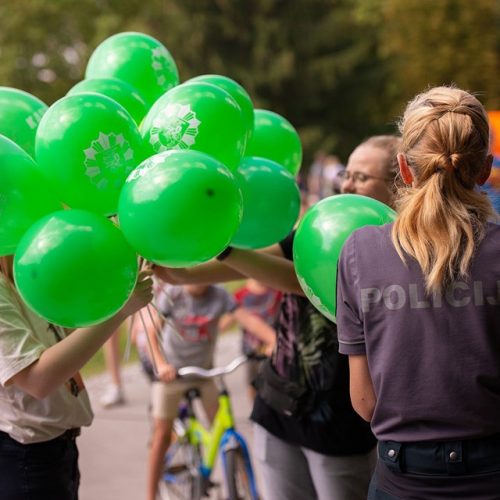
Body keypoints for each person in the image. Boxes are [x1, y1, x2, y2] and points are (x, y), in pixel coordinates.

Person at [152, 134, 401, 500]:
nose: (346, 184)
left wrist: (223, 250)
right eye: (346, 174)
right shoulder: (318, 229)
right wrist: (172, 262)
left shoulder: (397, 249)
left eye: (361, 178)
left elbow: (298, 281)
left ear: (398, 186)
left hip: (341, 424)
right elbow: (221, 268)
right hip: (277, 409)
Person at [337, 86, 500, 499]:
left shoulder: (359, 251)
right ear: (485, 169)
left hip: (403, 478)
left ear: (403, 169)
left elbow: (365, 401)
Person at [0, 256, 153, 500]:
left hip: (59, 450)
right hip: (26, 460)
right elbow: (36, 380)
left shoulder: (28, 269)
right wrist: (121, 310)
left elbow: (68, 337)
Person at [145, 282, 277, 500]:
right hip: (172, 374)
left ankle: (248, 487)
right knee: (162, 434)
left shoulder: (219, 295)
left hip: (204, 372)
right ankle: (150, 495)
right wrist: (160, 364)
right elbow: (152, 330)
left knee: (223, 425)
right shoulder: (173, 295)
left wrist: (273, 339)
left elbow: (247, 318)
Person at [228, 279, 281, 400]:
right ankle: (254, 410)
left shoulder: (276, 292)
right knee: (253, 384)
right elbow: (228, 320)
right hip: (250, 350)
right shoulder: (241, 294)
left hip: (272, 349)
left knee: (273, 384)